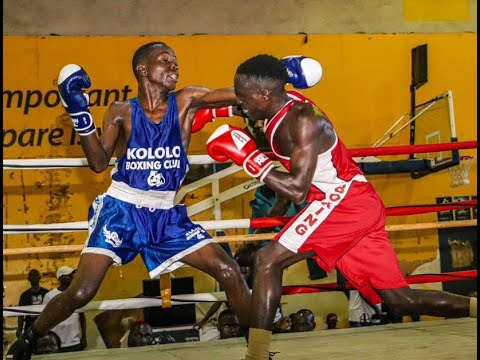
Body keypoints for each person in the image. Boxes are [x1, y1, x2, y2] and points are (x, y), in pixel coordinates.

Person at [205, 54, 477, 360]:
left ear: (263, 95)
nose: (238, 103)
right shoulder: (274, 100)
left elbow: (296, 190)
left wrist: (248, 158)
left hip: (342, 202)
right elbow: (232, 94)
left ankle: (256, 355)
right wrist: (206, 109)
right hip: (357, 203)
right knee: (399, 301)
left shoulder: (302, 121)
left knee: (267, 260)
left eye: (242, 97)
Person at [10, 41, 251, 360]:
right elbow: (98, 162)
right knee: (81, 292)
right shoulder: (121, 111)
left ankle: (258, 348)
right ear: (143, 69)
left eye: (176, 61)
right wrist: (78, 111)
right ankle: (28, 339)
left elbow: (238, 94)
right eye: (166, 60)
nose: (174, 65)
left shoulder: (187, 100)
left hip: (166, 214)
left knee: (228, 269)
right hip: (121, 210)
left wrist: (275, 76)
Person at [42, 266, 86, 352]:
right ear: (60, 278)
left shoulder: (77, 294)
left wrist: (84, 336)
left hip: (75, 342)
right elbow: (44, 318)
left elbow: (82, 316)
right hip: (57, 342)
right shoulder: (49, 296)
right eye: (69, 275)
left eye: (72, 275)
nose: (72, 277)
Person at [16, 269, 49, 339]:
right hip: (29, 328)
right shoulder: (25, 295)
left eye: (36, 275)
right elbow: (20, 314)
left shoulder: (46, 293)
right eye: (32, 275)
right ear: (28, 279)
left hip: (44, 327)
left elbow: (52, 310)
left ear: (39, 277)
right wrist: (19, 329)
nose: (34, 277)